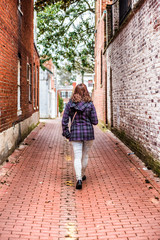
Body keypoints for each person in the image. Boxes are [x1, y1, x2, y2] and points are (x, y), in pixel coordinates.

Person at [62, 83, 98, 190]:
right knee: (85, 155)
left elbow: (64, 120)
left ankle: (79, 179)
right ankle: (82, 174)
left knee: (77, 157)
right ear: (86, 91)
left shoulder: (70, 104)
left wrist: (66, 133)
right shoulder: (90, 104)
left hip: (75, 133)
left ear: (75, 92)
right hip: (88, 133)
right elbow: (95, 121)